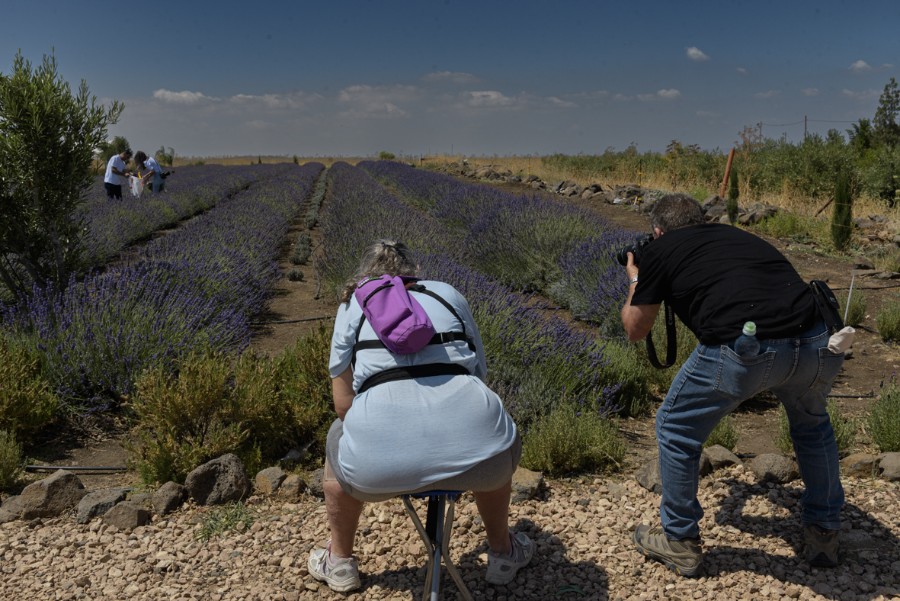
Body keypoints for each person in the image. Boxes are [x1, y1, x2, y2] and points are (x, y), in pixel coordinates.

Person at [620, 193, 845, 577]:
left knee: (675, 428)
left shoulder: (660, 250)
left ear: (658, 231)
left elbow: (635, 330)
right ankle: (824, 533)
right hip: (817, 343)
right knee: (812, 425)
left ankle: (678, 540)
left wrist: (636, 280)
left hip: (745, 350)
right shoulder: (735, 235)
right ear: (702, 219)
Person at [309, 239, 533, 593]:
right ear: (413, 271)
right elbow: (479, 374)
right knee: (493, 430)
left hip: (375, 472)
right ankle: (503, 552)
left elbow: (343, 406)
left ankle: (339, 562)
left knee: (338, 433)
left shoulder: (354, 303)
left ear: (365, 275)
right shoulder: (446, 293)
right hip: (482, 462)